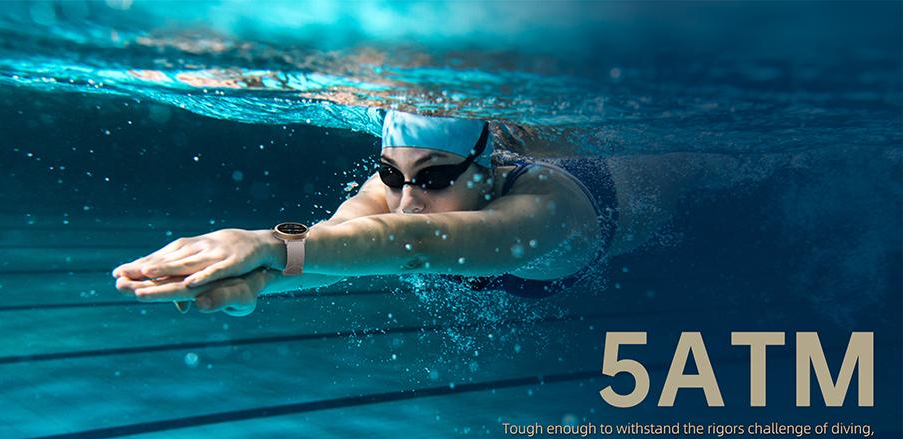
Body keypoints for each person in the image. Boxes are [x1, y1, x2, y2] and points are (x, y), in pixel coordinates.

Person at [112, 110, 685, 315]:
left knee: (701, 167)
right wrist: (251, 284)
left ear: (486, 170)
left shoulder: (547, 207)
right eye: (392, 174)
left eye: (435, 177)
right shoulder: (402, 188)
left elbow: (418, 245)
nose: (407, 199)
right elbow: (332, 244)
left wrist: (263, 242)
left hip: (633, 187)